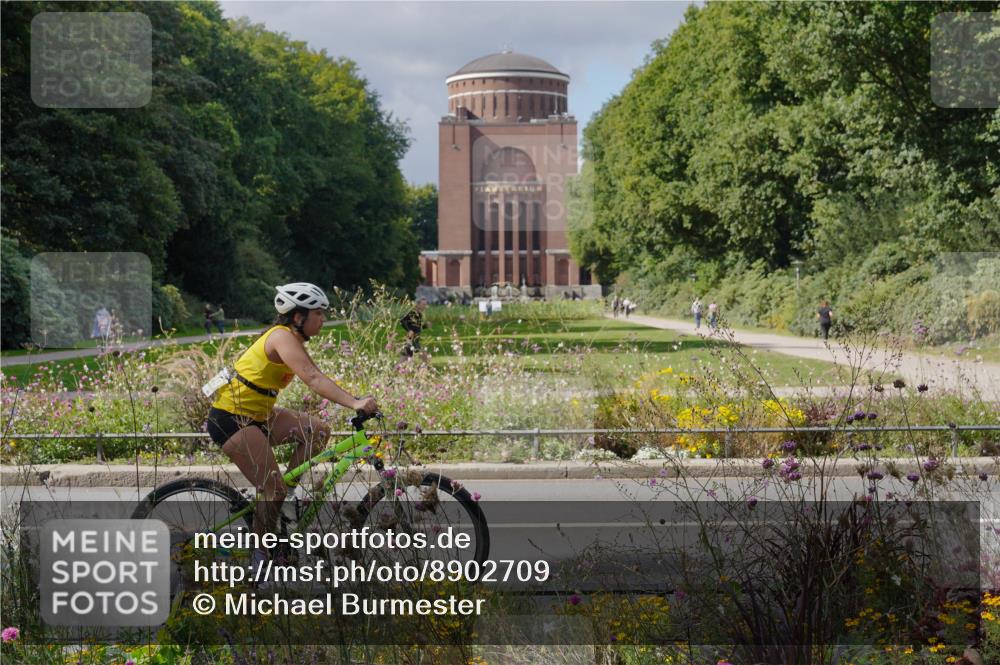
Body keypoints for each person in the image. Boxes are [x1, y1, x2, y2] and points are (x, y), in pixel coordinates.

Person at [206, 282, 378, 574]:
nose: (322, 319)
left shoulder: (292, 340)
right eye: (318, 314)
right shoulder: (281, 337)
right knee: (272, 489)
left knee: (318, 431)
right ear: (298, 316)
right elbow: (312, 378)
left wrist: (355, 400)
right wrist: (355, 403)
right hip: (231, 418)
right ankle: (261, 562)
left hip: (257, 415)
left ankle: (283, 508)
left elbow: (316, 376)